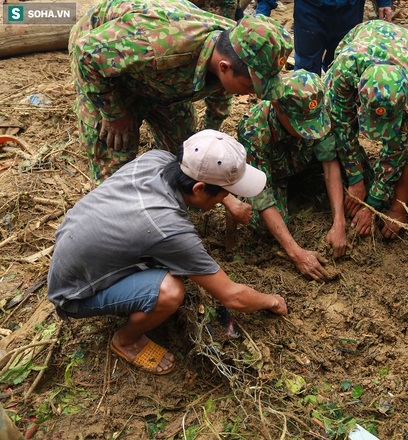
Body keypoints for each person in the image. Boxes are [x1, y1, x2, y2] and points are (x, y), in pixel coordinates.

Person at [47, 130, 288, 375]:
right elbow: (232, 297)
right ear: (200, 188)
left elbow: (195, 187)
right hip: (74, 292)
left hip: (73, 243)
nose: (228, 196)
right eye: (226, 191)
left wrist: (229, 201)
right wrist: (272, 301)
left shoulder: (157, 158)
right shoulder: (169, 230)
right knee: (171, 291)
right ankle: (126, 340)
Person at [69, 0, 292, 186]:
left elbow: (222, 92)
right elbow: (86, 55)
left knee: (184, 149)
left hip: (162, 77)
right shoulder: (157, 45)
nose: (253, 93)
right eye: (250, 86)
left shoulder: (235, 44)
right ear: (224, 67)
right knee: (115, 148)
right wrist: (114, 114)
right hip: (106, 62)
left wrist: (209, 140)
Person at [324, 20, 408, 238]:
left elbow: (398, 148)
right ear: (359, 100)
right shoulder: (344, 72)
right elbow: (341, 125)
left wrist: (373, 202)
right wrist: (355, 179)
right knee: (334, 120)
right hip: (363, 37)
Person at [238, 70, 347, 282]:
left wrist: (339, 222)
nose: (310, 131)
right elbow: (260, 193)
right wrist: (296, 252)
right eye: (302, 126)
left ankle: (300, 194)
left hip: (304, 166)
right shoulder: (253, 130)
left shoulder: (318, 110)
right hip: (271, 177)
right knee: (260, 225)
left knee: (354, 187)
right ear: (278, 108)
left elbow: (329, 161)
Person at [293, 0, 392, 74]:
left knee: (343, 64)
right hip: (309, 9)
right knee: (306, 67)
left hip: (350, 10)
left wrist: (383, 2)